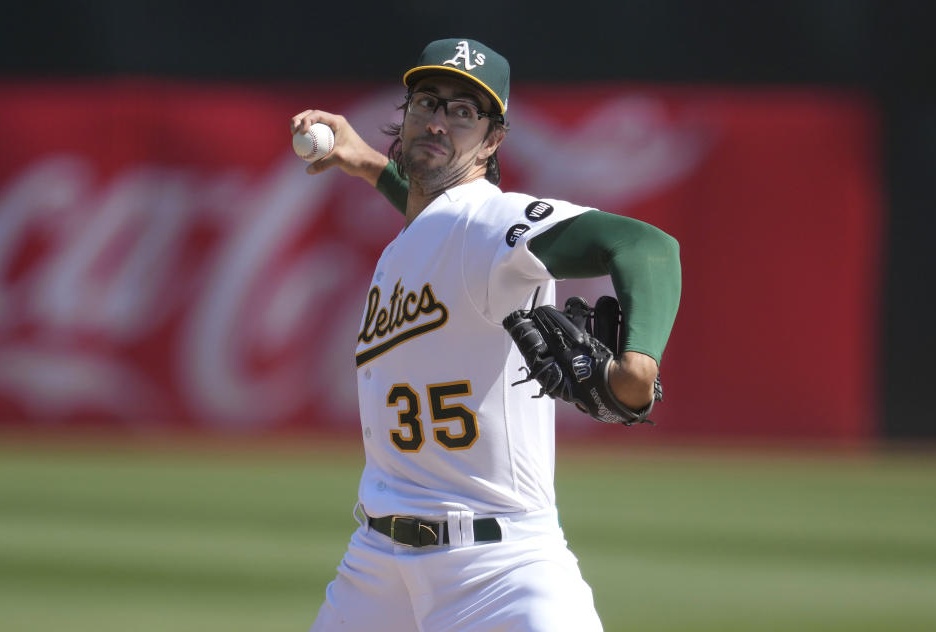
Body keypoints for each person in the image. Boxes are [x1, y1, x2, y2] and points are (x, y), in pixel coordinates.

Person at [291, 38, 681, 632]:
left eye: (464, 111)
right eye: (429, 101)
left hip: (498, 569)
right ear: (407, 111)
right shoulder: (422, 238)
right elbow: (435, 225)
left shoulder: (490, 220)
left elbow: (645, 246)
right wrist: (368, 163)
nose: (440, 120)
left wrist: (638, 368)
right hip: (374, 573)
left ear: (494, 139)